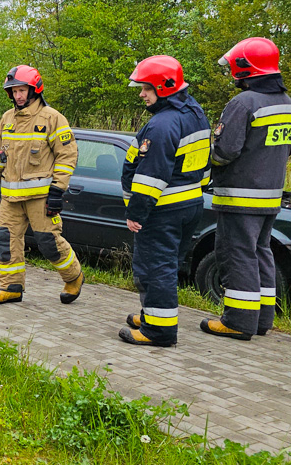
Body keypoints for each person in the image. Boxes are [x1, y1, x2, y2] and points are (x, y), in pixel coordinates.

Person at [201, 37, 291, 340]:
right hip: (270, 196)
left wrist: (206, 158)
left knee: (236, 253)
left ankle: (238, 321)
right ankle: (262, 318)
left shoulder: (243, 104)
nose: (231, 74)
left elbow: (224, 152)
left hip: (240, 196)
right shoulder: (286, 102)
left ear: (245, 68)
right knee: (260, 252)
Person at [118, 56, 211, 347]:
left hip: (162, 209)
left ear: (164, 87)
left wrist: (137, 212)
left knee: (155, 267)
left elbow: (151, 176)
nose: (141, 94)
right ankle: (153, 315)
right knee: (167, 265)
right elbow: (204, 164)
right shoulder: (195, 112)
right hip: (190, 203)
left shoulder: (162, 124)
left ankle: (158, 330)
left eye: (146, 88)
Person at [0, 65, 84, 305]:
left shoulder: (52, 118)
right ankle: (11, 287)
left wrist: (58, 190)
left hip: (41, 198)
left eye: (22, 90)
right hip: (10, 197)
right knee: (5, 241)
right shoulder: (7, 119)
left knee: (49, 243)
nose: (18, 95)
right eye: (14, 91)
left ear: (34, 90)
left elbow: (67, 155)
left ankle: (73, 277)